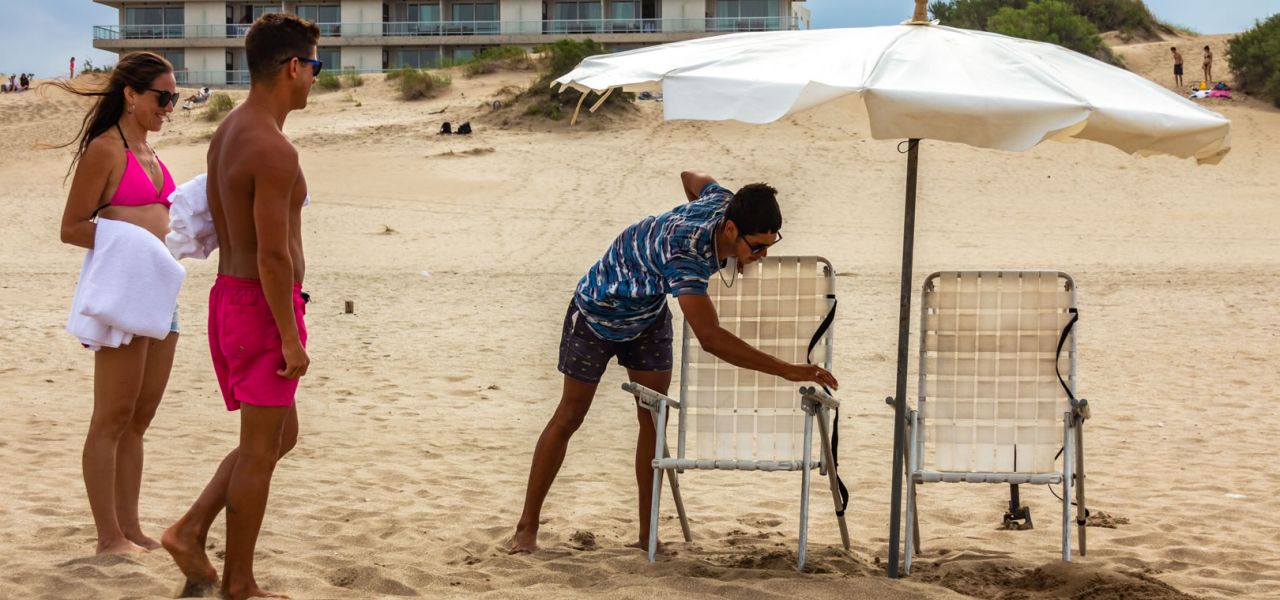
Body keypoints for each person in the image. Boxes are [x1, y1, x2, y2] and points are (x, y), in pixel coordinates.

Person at [505, 171, 839, 554]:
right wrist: (787, 369)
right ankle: (526, 527)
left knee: (652, 416)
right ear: (730, 228)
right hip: (597, 311)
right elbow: (711, 339)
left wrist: (736, 255)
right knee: (571, 415)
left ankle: (647, 534)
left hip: (647, 317)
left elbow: (692, 178)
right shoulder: (686, 256)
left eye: (769, 247)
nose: (762, 257)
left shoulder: (721, 201)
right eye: (757, 248)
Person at [161, 13, 318, 600]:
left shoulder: (228, 130)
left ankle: (190, 528)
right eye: (314, 68)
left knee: (277, 438)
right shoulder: (272, 148)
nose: (313, 81)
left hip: (232, 299)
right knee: (260, 451)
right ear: (293, 67)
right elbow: (274, 257)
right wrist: (292, 336)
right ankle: (239, 583)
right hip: (260, 304)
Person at [51, 51, 179, 555]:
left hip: (163, 296)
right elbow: (71, 227)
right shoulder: (106, 150)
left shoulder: (154, 155)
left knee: (140, 419)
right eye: (162, 97)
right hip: (127, 292)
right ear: (130, 94)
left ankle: (131, 527)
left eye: (175, 98)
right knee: (112, 416)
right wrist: (132, 243)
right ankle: (108, 537)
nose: (169, 106)